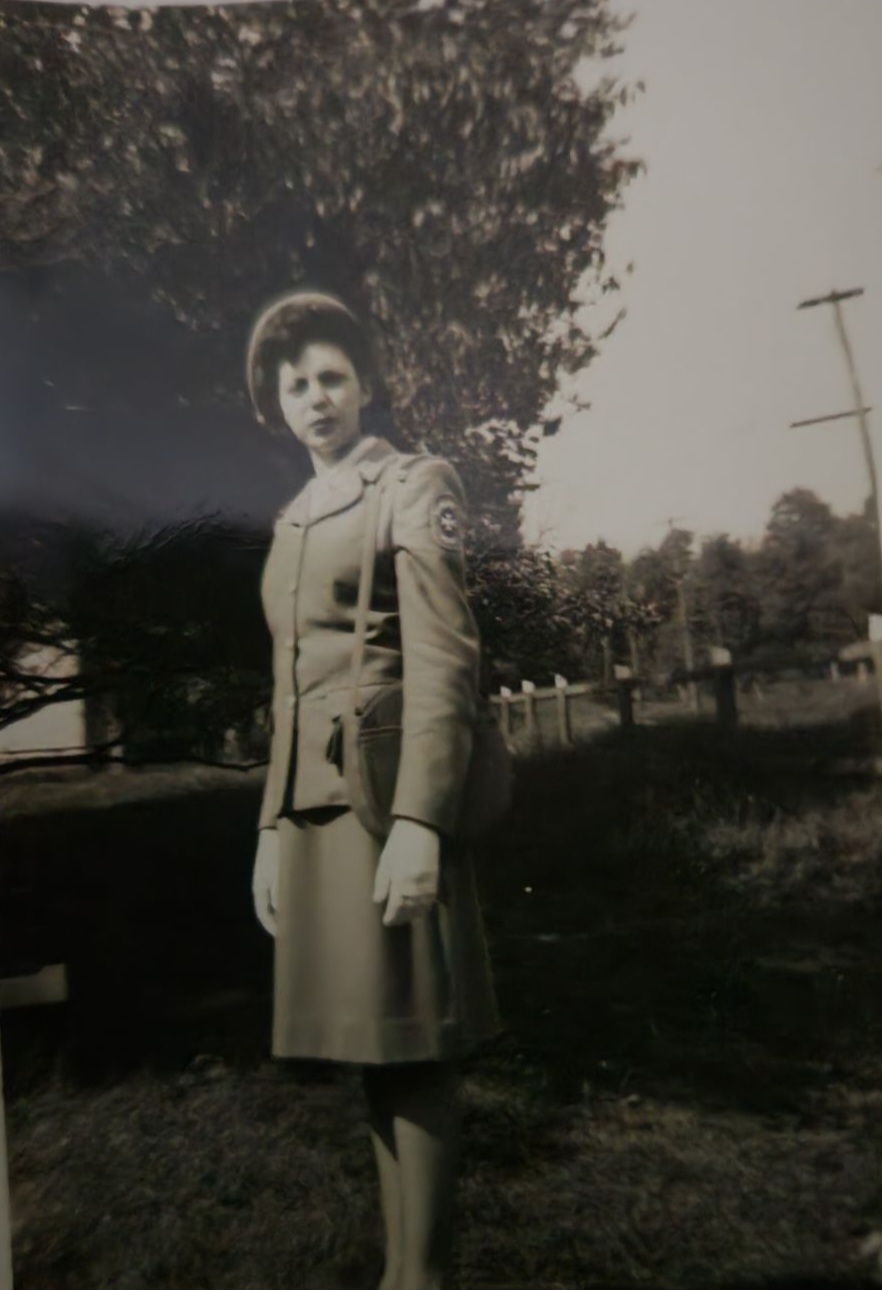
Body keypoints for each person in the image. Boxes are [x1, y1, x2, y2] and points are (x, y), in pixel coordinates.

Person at [246, 289, 499, 1290]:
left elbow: (445, 661)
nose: (316, 396)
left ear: (366, 385)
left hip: (386, 804)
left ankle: (420, 1276)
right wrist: (269, 824)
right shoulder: (292, 520)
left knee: (416, 1046)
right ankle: (402, 1274)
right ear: (276, 400)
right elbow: (286, 689)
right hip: (311, 813)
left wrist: (423, 823)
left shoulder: (410, 483)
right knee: (371, 1048)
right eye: (296, 382)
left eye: (332, 377)